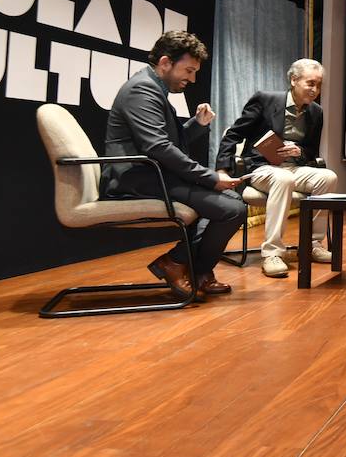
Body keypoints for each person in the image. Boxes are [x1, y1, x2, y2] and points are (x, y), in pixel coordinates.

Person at [101, 31, 246, 300]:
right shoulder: (141, 90)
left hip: (152, 173)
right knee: (232, 208)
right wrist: (209, 177)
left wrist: (197, 125)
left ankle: (196, 271)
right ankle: (178, 263)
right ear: (166, 62)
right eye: (188, 70)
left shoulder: (153, 87)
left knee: (231, 202)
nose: (191, 79)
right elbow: (158, 148)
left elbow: (167, 143)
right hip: (137, 179)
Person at [215, 58, 339, 277]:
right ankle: (272, 253)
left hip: (294, 168)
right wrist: (222, 169)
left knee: (328, 177)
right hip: (262, 168)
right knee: (283, 179)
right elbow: (234, 134)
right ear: (293, 80)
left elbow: (311, 151)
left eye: (319, 85)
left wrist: (299, 151)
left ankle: (312, 244)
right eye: (310, 83)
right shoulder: (265, 100)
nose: (315, 90)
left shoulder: (316, 112)